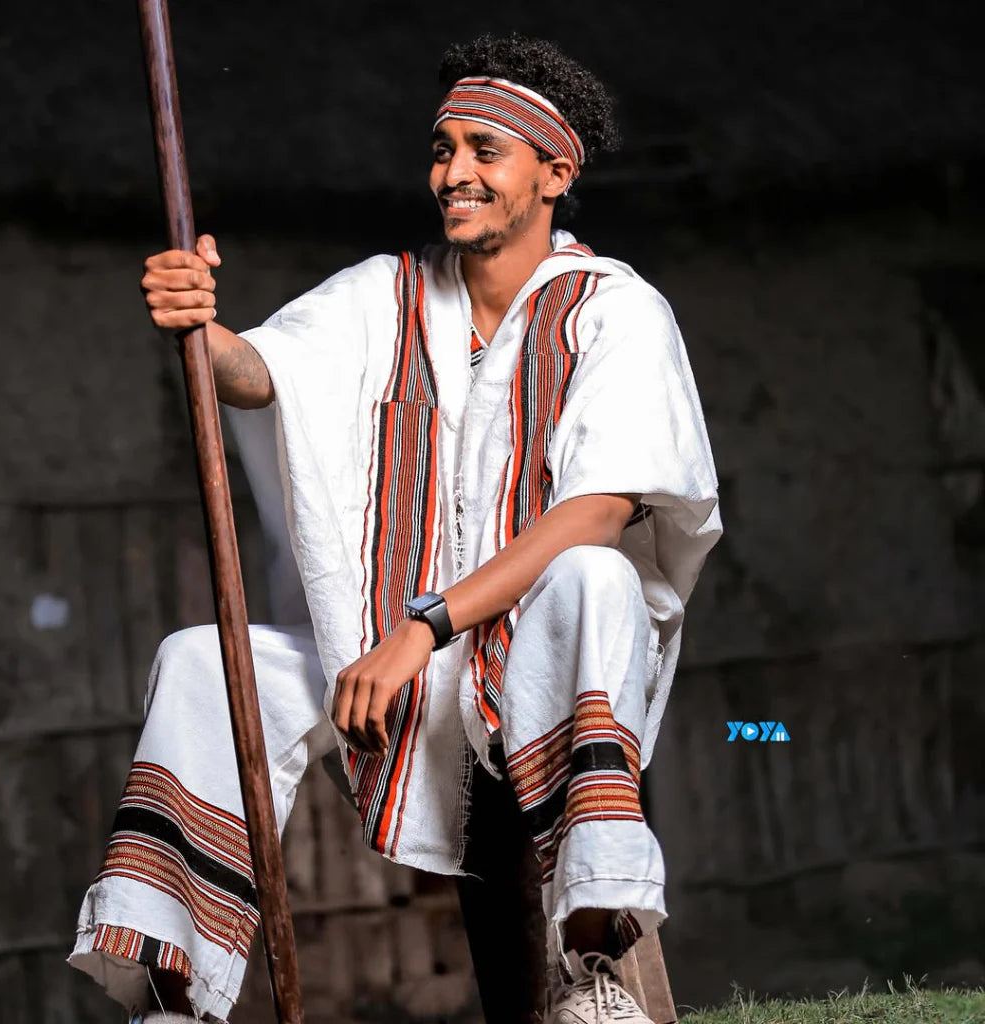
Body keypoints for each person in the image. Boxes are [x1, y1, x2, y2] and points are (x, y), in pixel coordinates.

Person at [69, 32, 721, 1024]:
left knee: (595, 575)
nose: (453, 172)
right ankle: (174, 995)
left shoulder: (616, 312)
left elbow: (598, 510)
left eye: (484, 151)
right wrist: (199, 325)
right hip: (385, 659)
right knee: (200, 661)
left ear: (556, 173)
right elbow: (260, 374)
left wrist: (424, 626)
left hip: (541, 658)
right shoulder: (387, 294)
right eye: (441, 148)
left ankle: (590, 968)